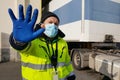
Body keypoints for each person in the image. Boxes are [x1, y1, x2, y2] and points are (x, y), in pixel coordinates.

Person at [8, 4, 76, 80]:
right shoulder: (33, 41)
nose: (53, 25)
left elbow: (67, 61)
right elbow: (22, 47)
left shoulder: (62, 42)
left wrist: (71, 75)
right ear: (42, 25)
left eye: (56, 24)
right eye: (50, 22)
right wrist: (19, 41)